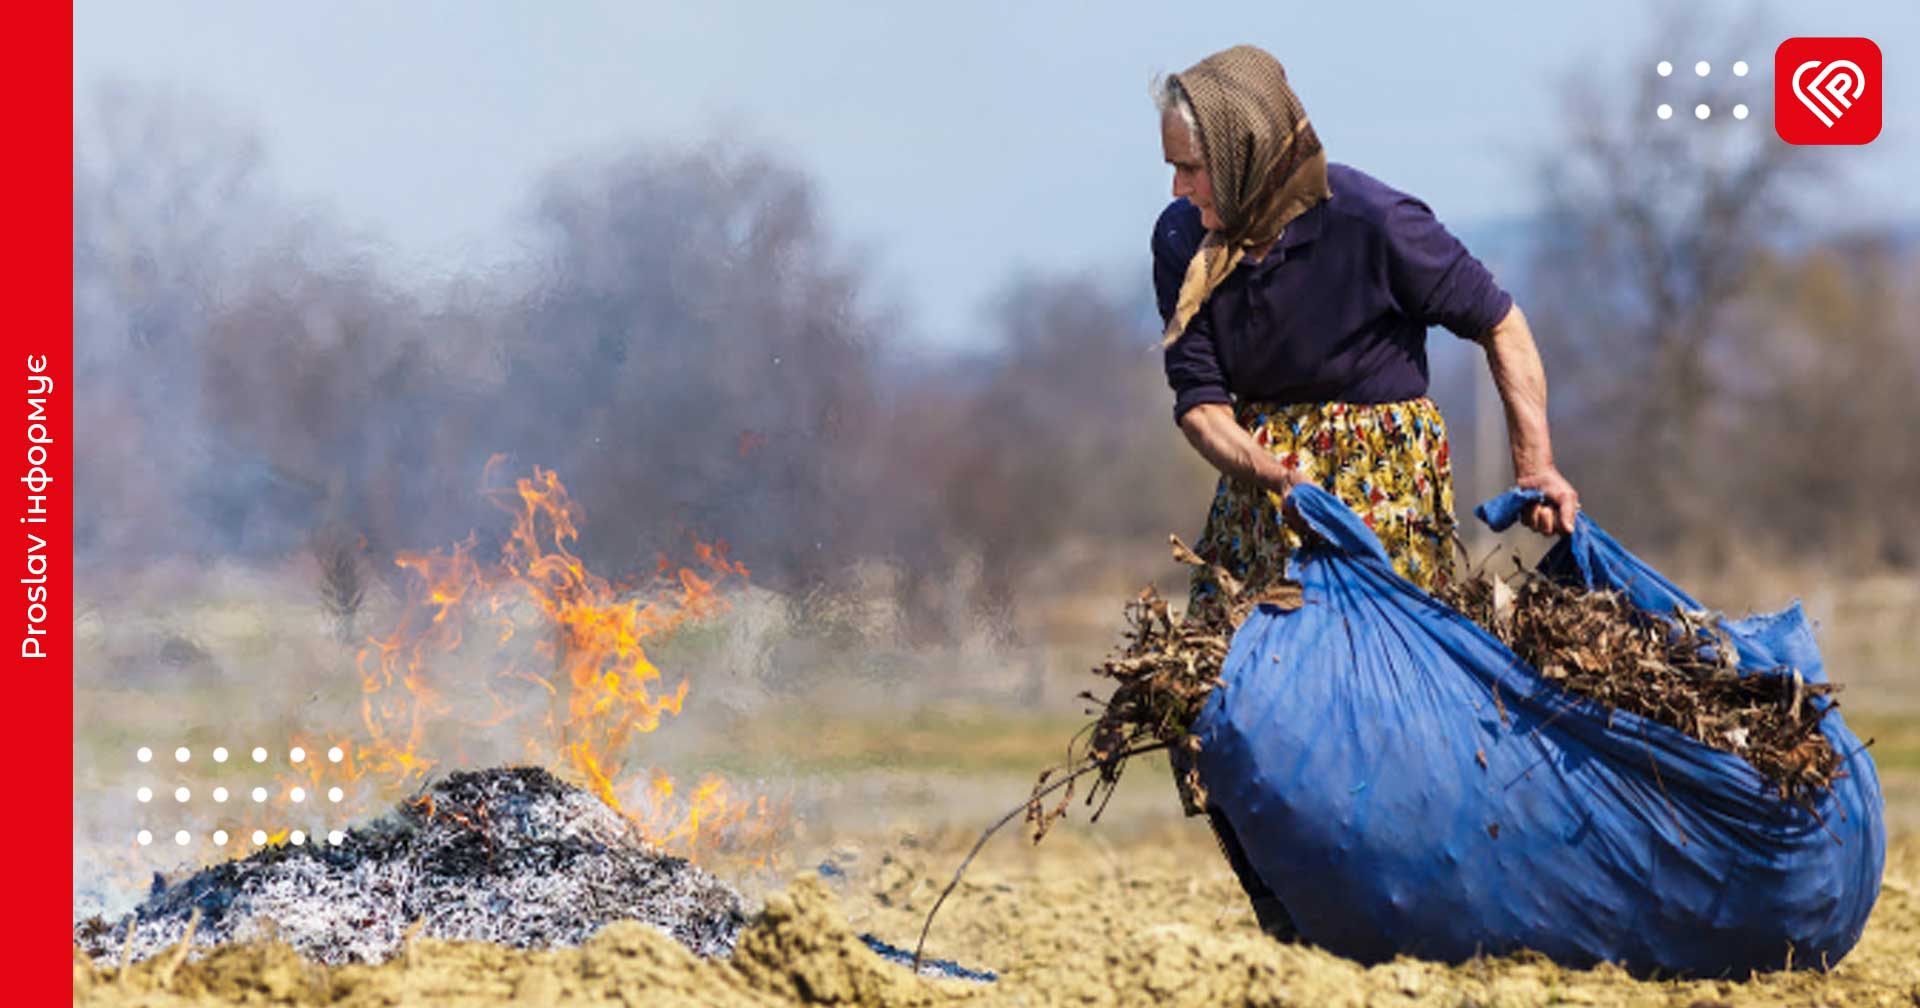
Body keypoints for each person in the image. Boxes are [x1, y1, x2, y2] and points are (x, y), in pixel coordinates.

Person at [1152, 44, 1580, 938]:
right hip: (1264, 478)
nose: (1180, 188)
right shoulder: (1182, 242)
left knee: (1375, 712)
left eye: (1192, 168)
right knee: (1198, 697)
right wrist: (1264, 468)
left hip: (1380, 474)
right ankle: (1283, 910)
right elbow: (1199, 404)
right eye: (1172, 169)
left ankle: (1410, 909)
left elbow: (1500, 324)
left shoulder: (1372, 219)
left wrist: (1535, 464)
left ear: (1244, 151)